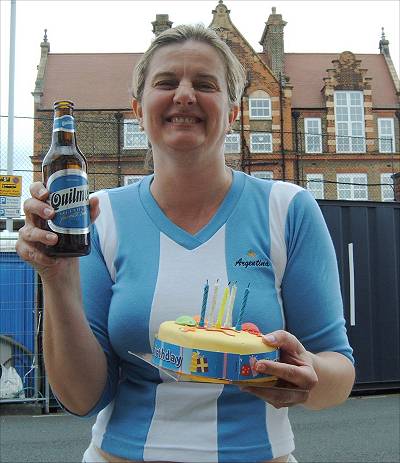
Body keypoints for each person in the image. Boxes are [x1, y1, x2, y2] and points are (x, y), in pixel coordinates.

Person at [16, 24, 355, 463]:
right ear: (138, 109)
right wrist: (56, 277)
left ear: (233, 112)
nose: (184, 95)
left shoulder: (287, 209)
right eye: (166, 82)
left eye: (205, 84)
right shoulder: (99, 216)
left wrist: (306, 376)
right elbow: (81, 398)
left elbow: (339, 373)